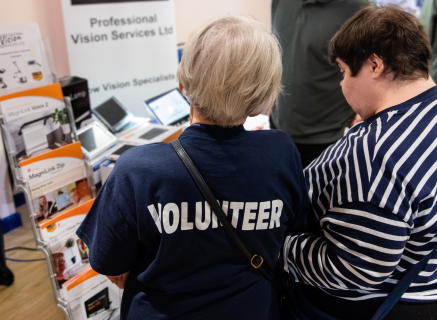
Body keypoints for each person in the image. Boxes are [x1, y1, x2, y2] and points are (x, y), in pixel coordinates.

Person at [76, 15, 309, 320]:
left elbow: (109, 264)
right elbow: (294, 231)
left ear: (182, 84)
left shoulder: (137, 170)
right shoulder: (280, 153)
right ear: (260, 97)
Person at [282, 6, 437, 319]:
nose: (341, 85)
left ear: (374, 64)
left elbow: (354, 270)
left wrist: (282, 247)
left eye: (343, 71)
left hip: (392, 304)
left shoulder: (375, 150)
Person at [270, 0, 371, 167]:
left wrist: (363, 110)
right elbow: (282, 49)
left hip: (327, 139)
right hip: (279, 129)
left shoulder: (358, 6)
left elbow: (374, 66)